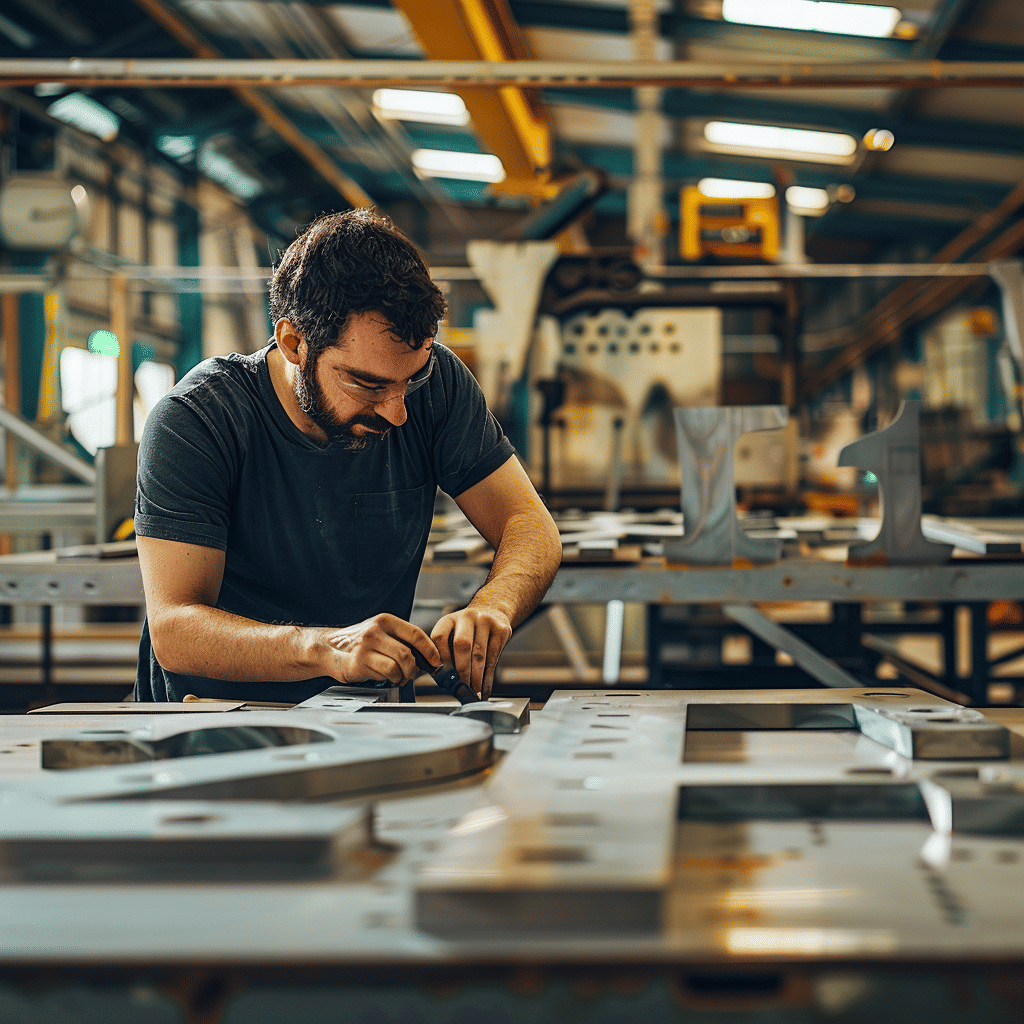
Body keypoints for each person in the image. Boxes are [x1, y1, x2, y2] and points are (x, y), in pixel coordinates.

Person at [133, 208, 562, 704]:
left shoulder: (437, 384)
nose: (398, 411)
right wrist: (325, 648)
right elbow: (176, 632)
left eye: (410, 379)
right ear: (295, 343)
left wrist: (494, 605)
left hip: (364, 721)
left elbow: (529, 522)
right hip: (210, 730)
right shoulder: (199, 420)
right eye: (367, 384)